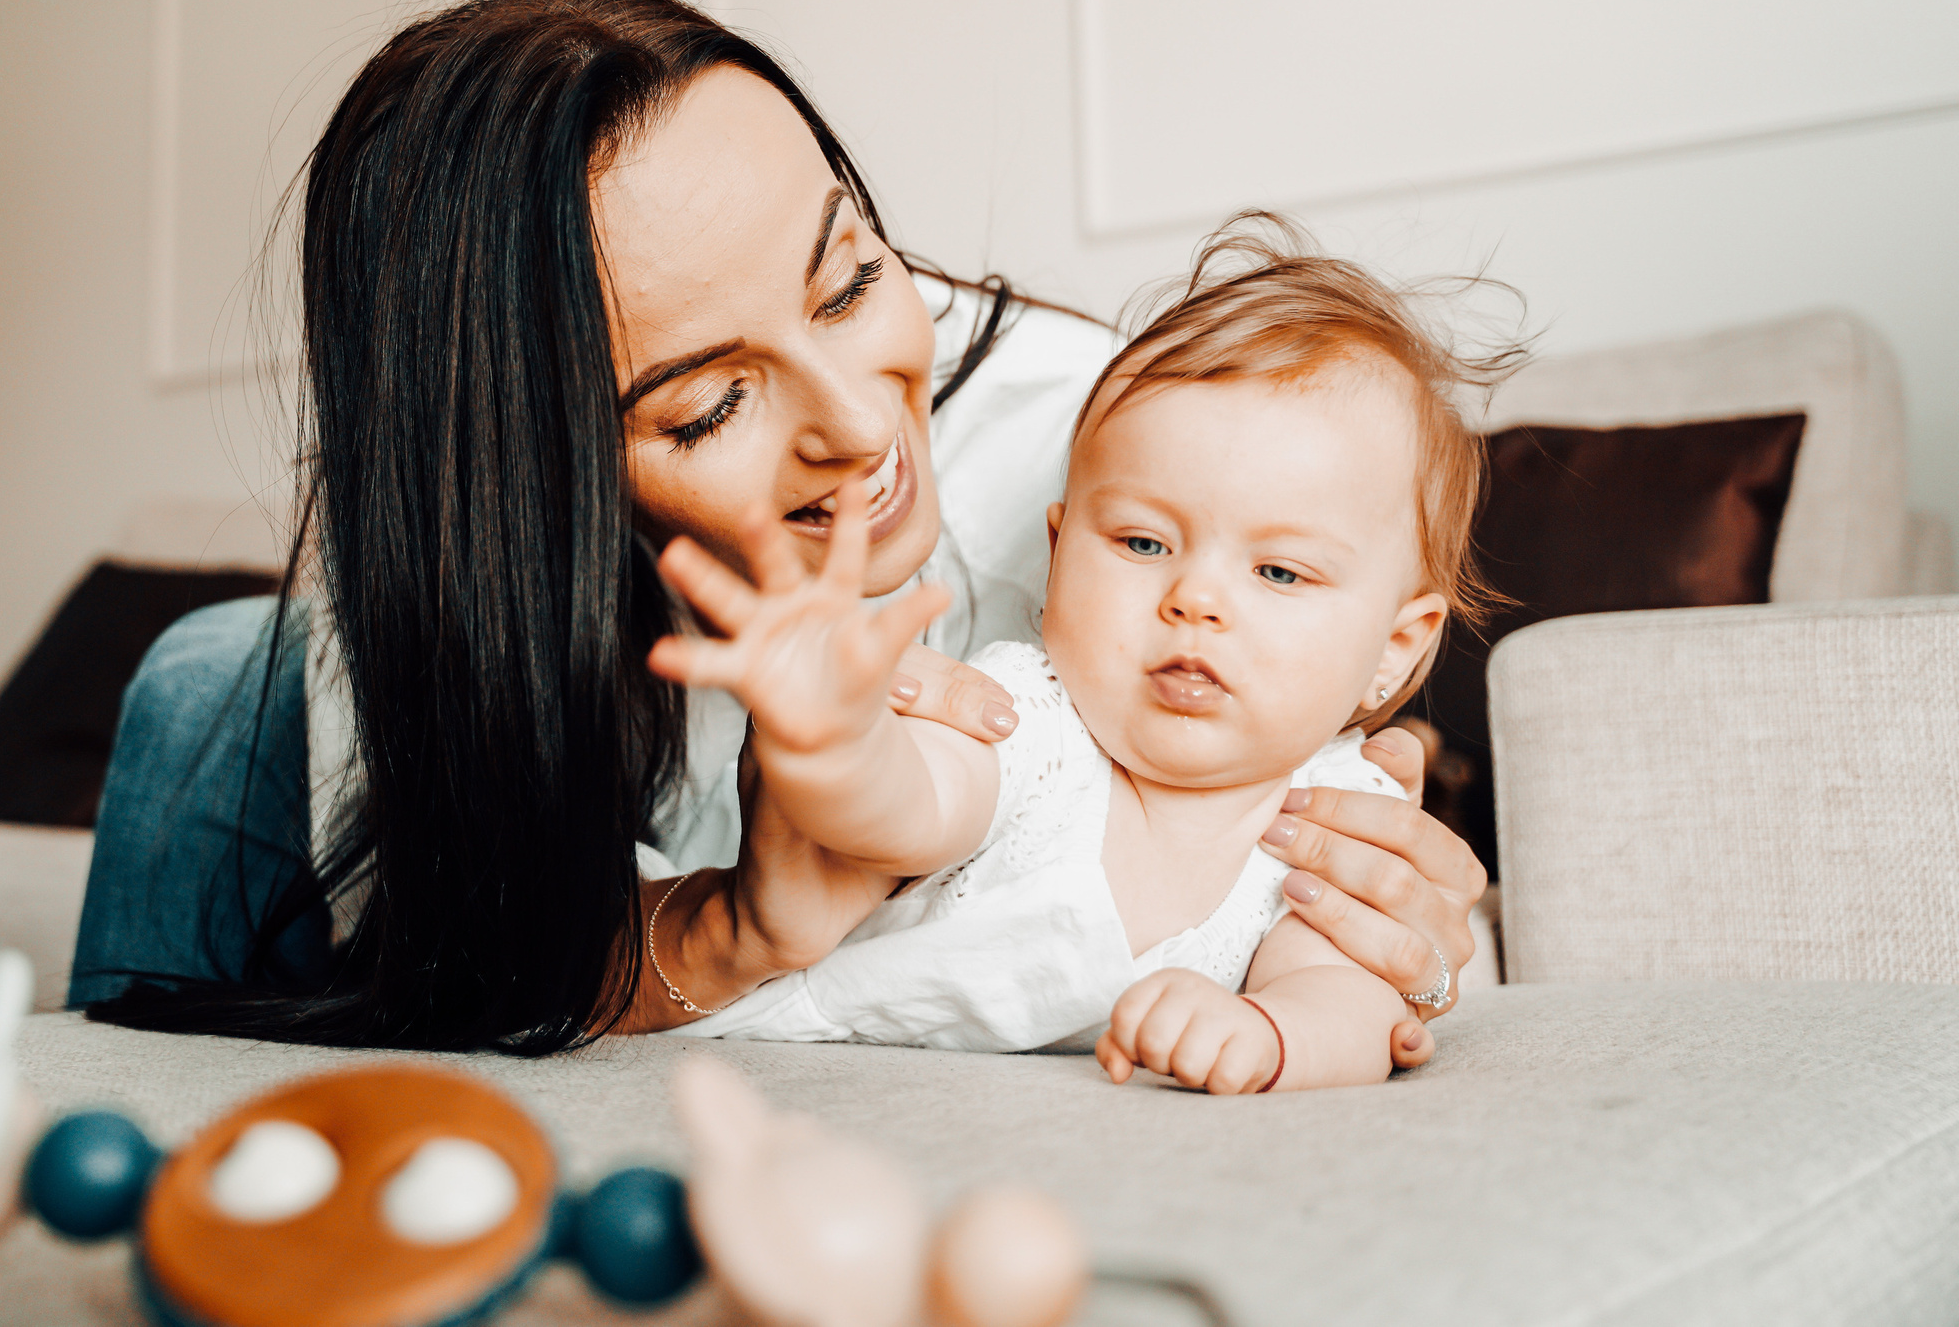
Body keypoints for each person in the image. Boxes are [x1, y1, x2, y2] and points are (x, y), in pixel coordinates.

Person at [68, 0, 1485, 1055]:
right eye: (704, 409)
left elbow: (1333, 719)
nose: (866, 430)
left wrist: (1369, 932)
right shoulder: (434, 612)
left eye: (852, 278)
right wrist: (744, 923)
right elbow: (463, 971)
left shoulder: (1115, 472)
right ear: (526, 484)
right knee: (214, 675)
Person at [647, 218, 1522, 1091]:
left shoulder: (1333, 822)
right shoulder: (1031, 716)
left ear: (1395, 650)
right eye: (1143, 544)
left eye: (1280, 571)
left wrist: (1266, 1034)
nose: (1195, 598)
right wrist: (833, 736)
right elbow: (909, 805)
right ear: (1058, 553)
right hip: (794, 1060)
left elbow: (1347, 1001)